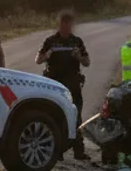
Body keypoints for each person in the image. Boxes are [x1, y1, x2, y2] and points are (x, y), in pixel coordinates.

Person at [36, 11, 90, 160]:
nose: (65, 28)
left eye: (68, 25)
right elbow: (38, 60)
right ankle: (56, 151)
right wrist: (47, 55)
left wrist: (78, 56)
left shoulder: (77, 41)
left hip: (72, 84)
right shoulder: (50, 41)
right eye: (63, 24)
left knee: (76, 117)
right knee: (55, 116)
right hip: (54, 85)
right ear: (59, 25)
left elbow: (87, 62)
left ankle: (79, 151)